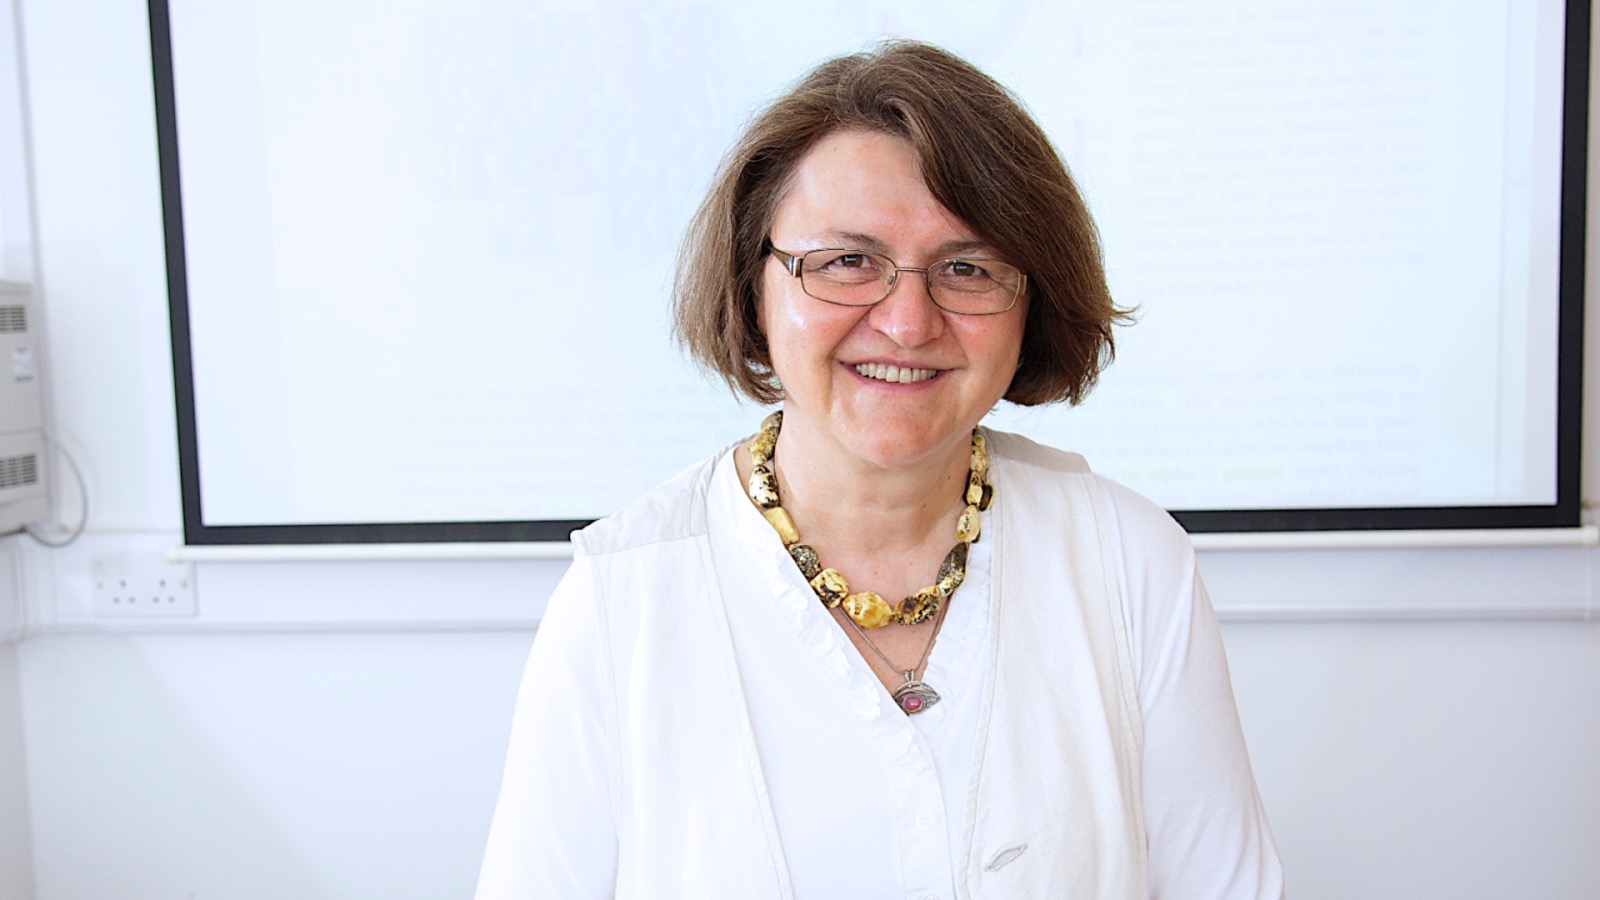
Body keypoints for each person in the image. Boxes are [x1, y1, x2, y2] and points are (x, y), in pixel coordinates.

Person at [476, 40, 1283, 899]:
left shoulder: (1129, 560)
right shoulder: (620, 600)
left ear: (1032, 300)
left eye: (965, 268)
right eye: (847, 262)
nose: (906, 323)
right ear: (753, 286)